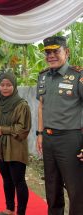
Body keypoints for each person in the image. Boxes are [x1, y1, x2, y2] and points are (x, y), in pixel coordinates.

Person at [36, 36, 83, 215]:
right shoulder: (43, 76)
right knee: (52, 187)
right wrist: (39, 134)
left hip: (70, 139)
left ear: (67, 52)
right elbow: (41, 106)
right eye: (48, 52)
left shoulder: (78, 75)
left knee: (76, 190)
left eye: (56, 51)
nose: (51, 55)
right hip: (48, 139)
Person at [0, 72, 31, 215]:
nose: (5, 88)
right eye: (2, 85)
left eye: (9, 85)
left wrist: (4, 129)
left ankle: (21, 212)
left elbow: (23, 129)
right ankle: (10, 208)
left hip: (16, 148)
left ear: (14, 86)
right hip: (0, 149)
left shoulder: (21, 105)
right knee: (6, 180)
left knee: (18, 181)